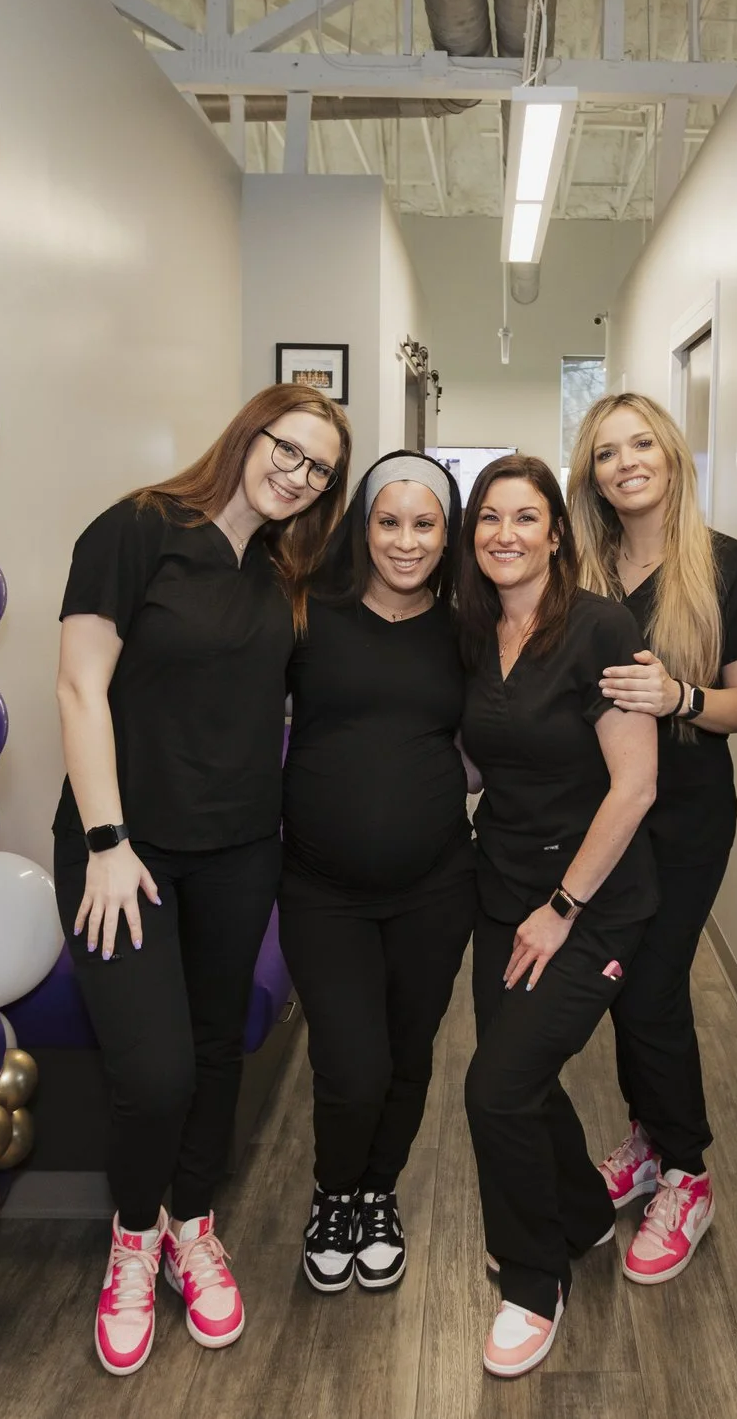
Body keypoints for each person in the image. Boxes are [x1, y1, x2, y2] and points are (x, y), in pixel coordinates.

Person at [54, 384, 350, 1377]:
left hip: (238, 848)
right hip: (123, 852)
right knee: (154, 1070)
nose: (296, 474)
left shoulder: (285, 569)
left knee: (218, 1051)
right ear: (247, 432)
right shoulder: (140, 527)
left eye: (317, 469)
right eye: (288, 448)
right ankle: (133, 1241)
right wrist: (105, 837)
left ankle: (193, 1221)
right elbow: (79, 684)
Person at [566, 394, 737, 1286]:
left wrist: (681, 698)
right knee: (623, 990)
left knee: (650, 986)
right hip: (595, 814)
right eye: (607, 451)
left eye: (641, 443)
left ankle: (688, 1172)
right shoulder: (578, 565)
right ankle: (652, 1141)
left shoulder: (730, 567)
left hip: (686, 815)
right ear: (591, 472)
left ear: (672, 454)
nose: (626, 462)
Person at [456, 454, 659, 1379]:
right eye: (489, 517)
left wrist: (563, 908)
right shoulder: (472, 630)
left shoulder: (601, 627)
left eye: (525, 518)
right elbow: (480, 759)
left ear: (555, 533)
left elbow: (636, 784)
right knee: (519, 1078)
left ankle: (535, 1283)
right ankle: (577, 1213)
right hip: (499, 890)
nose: (505, 533)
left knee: (495, 1089)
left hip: (591, 901)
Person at [278, 451, 473, 1295]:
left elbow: (496, 739)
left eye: (424, 522)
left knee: (407, 1054)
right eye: (388, 522)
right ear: (363, 527)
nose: (405, 540)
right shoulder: (307, 615)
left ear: (447, 531)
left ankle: (376, 1193)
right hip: (323, 890)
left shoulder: (467, 628)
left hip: (435, 886)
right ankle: (332, 1192)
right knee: (350, 1064)